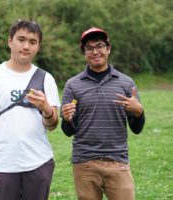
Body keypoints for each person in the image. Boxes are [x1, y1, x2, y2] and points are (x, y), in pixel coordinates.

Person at [0, 19, 60, 200]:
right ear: (10, 41)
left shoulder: (45, 78)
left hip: (39, 163)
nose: (26, 46)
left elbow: (52, 125)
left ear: (38, 47)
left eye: (32, 42)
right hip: (3, 165)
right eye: (21, 39)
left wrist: (46, 108)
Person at [61, 27, 145, 200]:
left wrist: (139, 112)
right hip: (84, 164)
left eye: (99, 46)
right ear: (84, 53)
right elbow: (68, 131)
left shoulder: (126, 83)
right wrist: (67, 119)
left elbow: (136, 129)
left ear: (108, 48)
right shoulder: (72, 85)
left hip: (118, 162)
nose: (95, 51)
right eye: (89, 48)